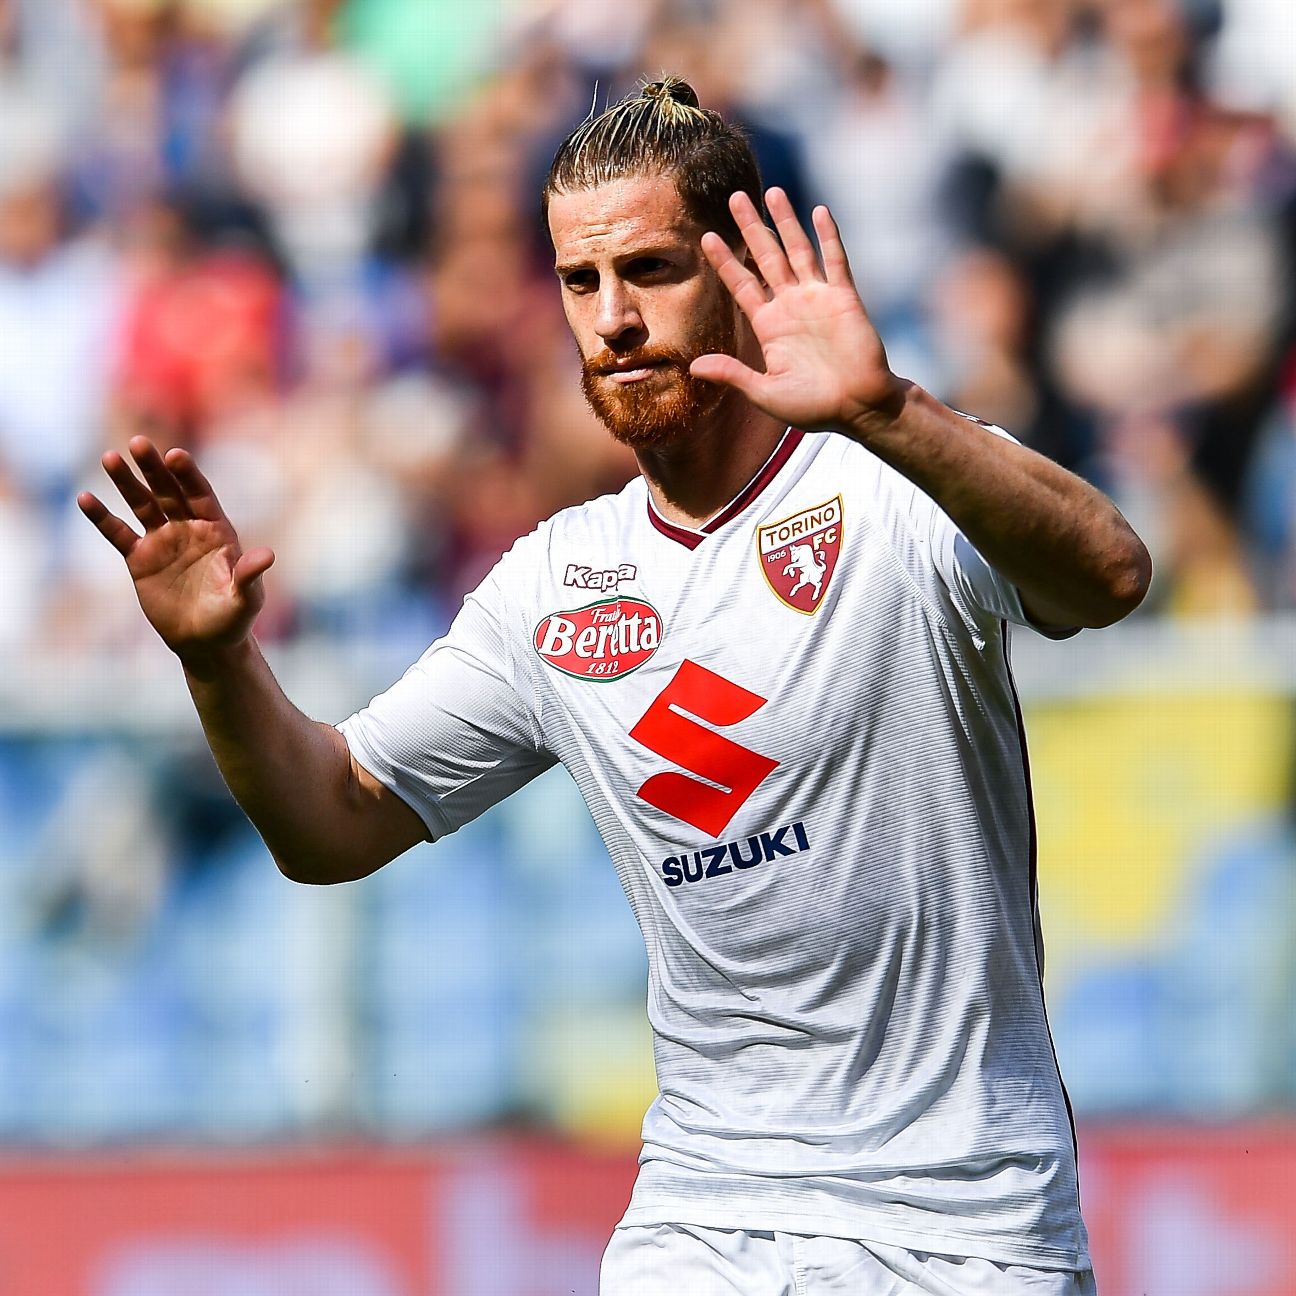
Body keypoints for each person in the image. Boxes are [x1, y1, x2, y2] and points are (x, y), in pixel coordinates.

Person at [80, 78, 1149, 1295]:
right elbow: (332, 820)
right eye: (582, 284)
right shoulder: (553, 587)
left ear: (739, 272)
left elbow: (1110, 574)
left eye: (649, 270)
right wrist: (218, 661)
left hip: (965, 1228)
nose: (614, 318)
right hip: (703, 1217)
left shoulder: (896, 485)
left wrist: (889, 409)